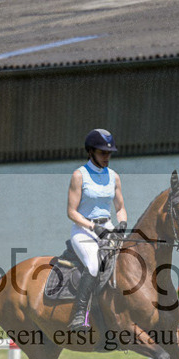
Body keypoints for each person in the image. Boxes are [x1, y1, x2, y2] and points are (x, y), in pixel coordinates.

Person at [66, 128, 128, 330]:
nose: (107, 157)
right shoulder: (79, 175)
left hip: (108, 226)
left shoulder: (114, 177)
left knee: (130, 259)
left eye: (109, 153)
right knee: (94, 265)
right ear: (91, 151)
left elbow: (120, 208)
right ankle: (79, 314)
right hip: (84, 229)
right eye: (102, 153)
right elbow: (71, 212)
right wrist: (94, 227)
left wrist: (122, 224)